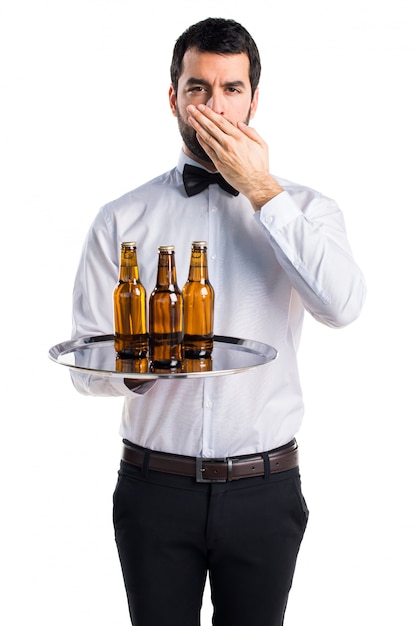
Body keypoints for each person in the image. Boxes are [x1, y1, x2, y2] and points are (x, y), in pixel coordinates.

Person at [70, 17, 366, 626]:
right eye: (199, 87)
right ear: (173, 97)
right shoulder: (120, 219)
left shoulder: (308, 210)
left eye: (232, 89)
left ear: (254, 99)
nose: (215, 105)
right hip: (154, 489)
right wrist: (139, 370)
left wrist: (262, 189)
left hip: (265, 489)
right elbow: (84, 367)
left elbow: (343, 306)